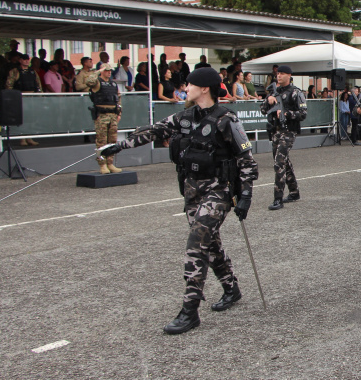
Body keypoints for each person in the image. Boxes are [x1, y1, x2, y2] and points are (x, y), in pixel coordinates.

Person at [100, 68, 258, 334]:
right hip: (192, 191)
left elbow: (246, 161)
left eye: (189, 84)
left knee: (196, 244)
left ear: (204, 88)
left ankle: (190, 311)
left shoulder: (226, 120)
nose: (185, 87)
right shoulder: (184, 117)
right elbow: (152, 131)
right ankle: (231, 288)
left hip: (218, 191)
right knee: (210, 246)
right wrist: (118, 146)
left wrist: (245, 195)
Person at [261, 64, 307, 210]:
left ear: (289, 76)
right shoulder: (274, 93)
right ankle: (294, 192)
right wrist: (268, 102)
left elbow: (303, 114)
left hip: (288, 131)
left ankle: (278, 198)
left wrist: (287, 114)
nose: (278, 76)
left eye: (282, 74)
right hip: (275, 131)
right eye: (277, 74)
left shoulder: (295, 92)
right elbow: (262, 110)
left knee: (279, 163)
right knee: (284, 162)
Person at [83, 64, 123, 174]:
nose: (109, 72)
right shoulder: (97, 82)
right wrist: (98, 71)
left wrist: (119, 112)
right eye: (106, 70)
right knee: (101, 141)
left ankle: (110, 163)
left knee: (112, 141)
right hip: (102, 115)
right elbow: (88, 82)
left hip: (113, 115)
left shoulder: (113, 84)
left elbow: (118, 99)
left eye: (110, 70)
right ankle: (102, 164)